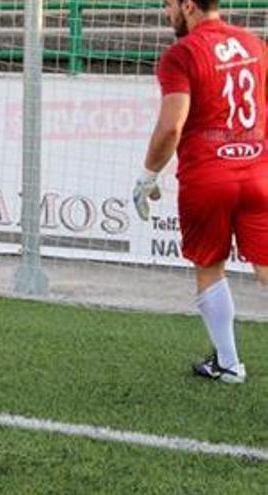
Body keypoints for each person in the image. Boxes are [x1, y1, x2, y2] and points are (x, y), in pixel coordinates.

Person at [133, 0, 267, 384]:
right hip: (259, 170)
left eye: (169, 5)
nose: (166, 13)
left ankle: (229, 364)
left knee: (210, 267)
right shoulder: (255, 44)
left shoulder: (182, 53)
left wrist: (147, 175)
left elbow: (172, 126)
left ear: (188, 5)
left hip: (209, 175)